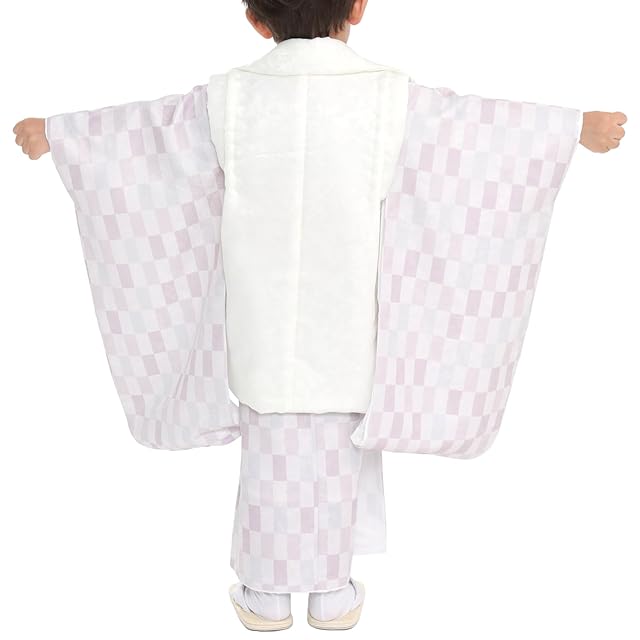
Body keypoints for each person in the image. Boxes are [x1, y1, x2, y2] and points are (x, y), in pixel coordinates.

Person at [12, 0, 627, 632]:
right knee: (336, 451)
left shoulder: (231, 99)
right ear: (359, 7)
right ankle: (328, 590)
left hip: (261, 316)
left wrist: (59, 134)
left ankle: (266, 592)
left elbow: (144, 137)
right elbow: (477, 131)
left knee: (272, 452)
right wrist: (569, 129)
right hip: (352, 313)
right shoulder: (390, 97)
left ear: (255, 20)